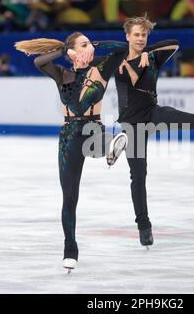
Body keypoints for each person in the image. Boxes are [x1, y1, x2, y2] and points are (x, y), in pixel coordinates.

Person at [15, 33, 129, 272]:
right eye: (84, 44)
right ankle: (70, 250)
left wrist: (94, 46)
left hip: (92, 127)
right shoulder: (62, 74)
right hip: (68, 136)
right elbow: (38, 62)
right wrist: (65, 51)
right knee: (69, 197)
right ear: (73, 50)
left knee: (92, 137)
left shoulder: (101, 68)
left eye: (89, 44)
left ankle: (110, 146)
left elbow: (122, 48)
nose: (89, 48)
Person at [114, 14, 194, 248]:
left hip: (151, 112)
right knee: (138, 176)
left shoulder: (152, 58)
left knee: (169, 114)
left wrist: (147, 52)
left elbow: (174, 42)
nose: (141, 38)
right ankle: (144, 226)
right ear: (127, 36)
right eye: (137, 35)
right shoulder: (117, 59)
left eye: (144, 35)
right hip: (131, 124)